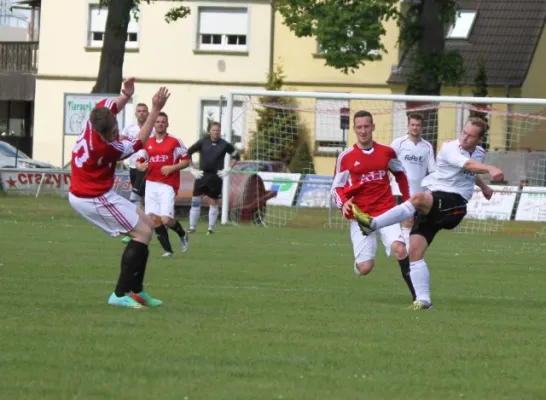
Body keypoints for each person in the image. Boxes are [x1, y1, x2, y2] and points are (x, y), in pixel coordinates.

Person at [353, 118, 504, 310]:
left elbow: (470, 170)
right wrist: (489, 170)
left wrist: (483, 187)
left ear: (480, 138)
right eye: (464, 132)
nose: (464, 137)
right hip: (435, 202)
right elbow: (467, 166)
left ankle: (373, 224)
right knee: (414, 251)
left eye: (470, 135)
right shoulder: (450, 147)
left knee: (417, 199)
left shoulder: (480, 153)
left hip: (454, 204)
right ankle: (424, 301)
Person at [68, 77, 170, 309]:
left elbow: (113, 106)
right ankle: (119, 293)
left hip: (96, 192)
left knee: (147, 225)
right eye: (113, 132)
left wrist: (125, 94)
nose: (117, 133)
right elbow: (139, 142)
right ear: (103, 133)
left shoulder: (94, 121)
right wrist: (155, 109)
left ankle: (137, 290)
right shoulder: (103, 147)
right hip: (91, 197)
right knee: (142, 233)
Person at [331, 110, 416, 301]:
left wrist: (407, 202)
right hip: (361, 217)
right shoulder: (346, 157)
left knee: (400, 249)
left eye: (366, 126)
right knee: (365, 268)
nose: (363, 131)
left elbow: (401, 175)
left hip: (387, 212)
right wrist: (343, 203)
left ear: (373, 127)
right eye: (359, 127)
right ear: (354, 129)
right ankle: (360, 264)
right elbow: (336, 188)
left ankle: (418, 297)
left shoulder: (386, 152)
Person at [135, 112, 190, 257]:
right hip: (151, 184)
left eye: (163, 121)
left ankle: (182, 233)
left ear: (167, 124)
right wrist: (140, 166)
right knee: (154, 219)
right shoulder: (147, 141)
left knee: (166, 219)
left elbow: (186, 161)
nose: (160, 123)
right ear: (154, 124)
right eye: (158, 121)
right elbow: (139, 160)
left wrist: (172, 167)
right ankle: (168, 250)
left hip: (167, 184)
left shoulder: (175, 141)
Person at [390, 113, 436, 249]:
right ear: (408, 126)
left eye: (418, 125)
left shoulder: (427, 147)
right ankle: (407, 253)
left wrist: (431, 189)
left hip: (418, 192)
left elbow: (432, 170)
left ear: (422, 127)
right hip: (400, 190)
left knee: (415, 225)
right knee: (407, 220)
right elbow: (387, 163)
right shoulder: (398, 143)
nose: (415, 128)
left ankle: (405, 249)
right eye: (413, 125)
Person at [187, 122, 241, 234]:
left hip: (215, 177)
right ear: (209, 131)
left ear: (220, 132)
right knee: (196, 201)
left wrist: (229, 168)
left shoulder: (225, 144)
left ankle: (210, 228)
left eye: (218, 130)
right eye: (214, 130)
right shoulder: (202, 142)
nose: (216, 132)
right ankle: (192, 227)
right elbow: (188, 152)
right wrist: (192, 168)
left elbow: (236, 156)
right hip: (201, 175)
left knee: (213, 201)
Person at [119, 103, 152, 245]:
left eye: (144, 111)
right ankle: (151, 223)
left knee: (134, 196)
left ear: (148, 113)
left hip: (146, 167)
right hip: (133, 166)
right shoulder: (129, 128)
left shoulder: (152, 128)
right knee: (144, 198)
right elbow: (121, 141)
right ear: (135, 113)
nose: (141, 113)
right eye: (139, 111)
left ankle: (134, 230)